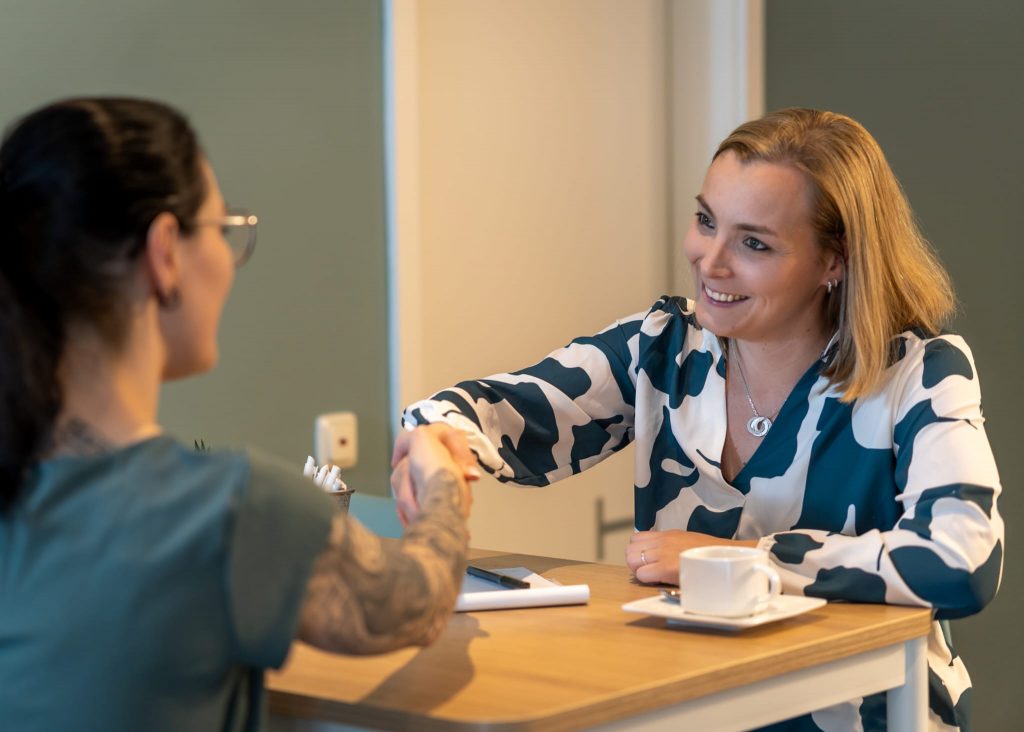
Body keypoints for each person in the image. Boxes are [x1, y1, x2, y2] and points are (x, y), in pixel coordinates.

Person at [395, 108, 1004, 731]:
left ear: (834, 262)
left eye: (754, 243)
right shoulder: (660, 348)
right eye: (706, 221)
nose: (710, 262)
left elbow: (962, 560)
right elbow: (491, 413)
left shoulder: (921, 375)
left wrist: (741, 561)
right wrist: (435, 440)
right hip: (692, 709)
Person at [0, 97, 477, 732]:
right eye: (223, 231)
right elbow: (417, 602)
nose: (228, 260)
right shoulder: (228, 509)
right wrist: (440, 477)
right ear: (165, 251)